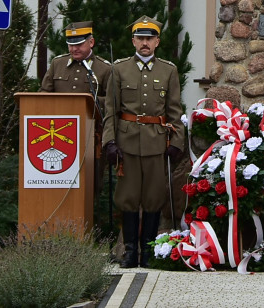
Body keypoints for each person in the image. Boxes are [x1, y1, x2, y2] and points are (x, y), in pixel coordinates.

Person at [102, 15, 184, 268]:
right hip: (126, 143)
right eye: (140, 38)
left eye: (149, 38)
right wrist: (109, 141)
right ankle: (129, 253)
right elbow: (110, 110)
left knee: (153, 198)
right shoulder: (119, 69)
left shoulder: (168, 70)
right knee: (127, 198)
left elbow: (175, 111)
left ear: (157, 41)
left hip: (156, 144)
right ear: (133, 41)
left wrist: (177, 142)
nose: (145, 43)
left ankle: (148, 252)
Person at [40, 21, 112, 194]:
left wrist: (88, 102)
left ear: (91, 42)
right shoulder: (58, 64)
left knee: (89, 186)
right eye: (70, 45)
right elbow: (43, 95)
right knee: (58, 183)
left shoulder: (104, 68)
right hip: (58, 135)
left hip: (90, 135)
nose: (74, 49)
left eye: (79, 45)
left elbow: (111, 102)